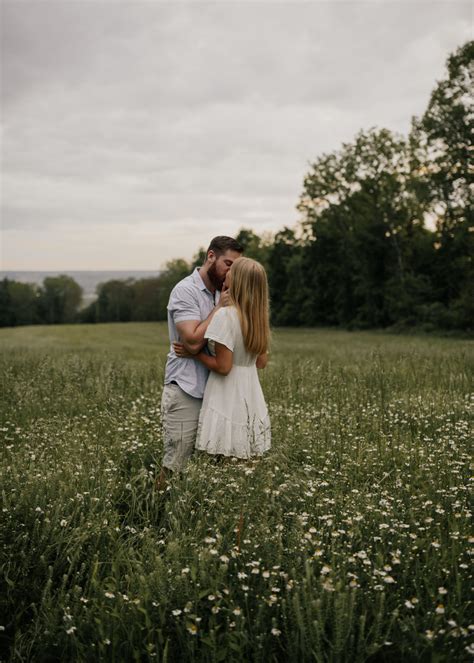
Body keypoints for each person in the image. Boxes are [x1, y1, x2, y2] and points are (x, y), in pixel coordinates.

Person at [156, 236, 243, 490]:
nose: (231, 271)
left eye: (236, 267)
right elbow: (192, 343)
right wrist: (218, 309)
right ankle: (156, 517)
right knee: (175, 464)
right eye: (228, 263)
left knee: (213, 464)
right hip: (186, 388)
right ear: (211, 256)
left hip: (217, 390)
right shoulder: (186, 290)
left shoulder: (224, 290)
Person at [173, 257, 271, 459]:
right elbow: (261, 362)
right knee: (245, 456)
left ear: (238, 281)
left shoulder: (225, 316)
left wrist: (195, 354)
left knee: (221, 454)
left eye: (232, 272)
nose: (227, 273)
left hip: (226, 394)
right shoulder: (258, 318)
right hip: (251, 393)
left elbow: (224, 366)